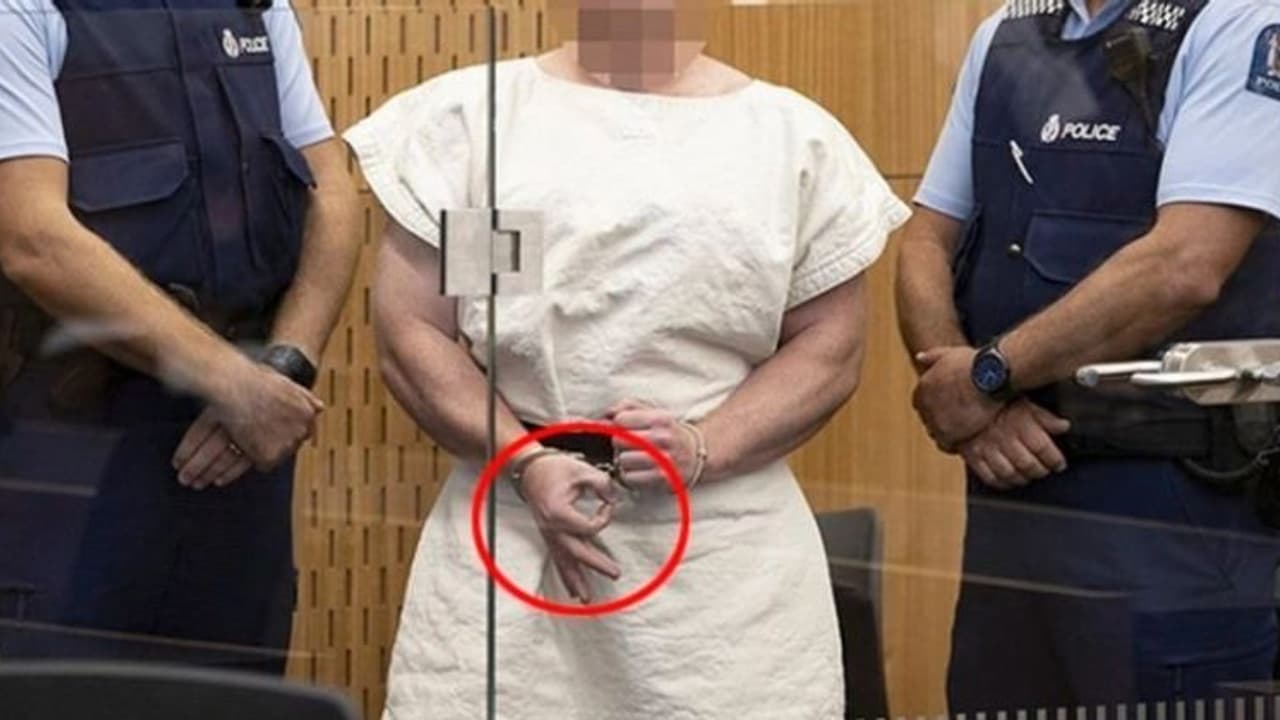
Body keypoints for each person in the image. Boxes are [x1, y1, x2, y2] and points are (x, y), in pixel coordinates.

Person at [344, 0, 910, 716]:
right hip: (509, 539)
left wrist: (704, 446)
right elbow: (416, 332)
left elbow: (829, 346)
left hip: (726, 574)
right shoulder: (483, 125)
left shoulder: (791, 141)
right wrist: (527, 459)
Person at [897, 0, 1280, 711]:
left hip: (1172, 504)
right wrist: (969, 395)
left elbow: (1184, 266)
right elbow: (926, 240)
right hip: (1012, 484)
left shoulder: (1241, 19)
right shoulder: (1006, 32)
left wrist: (986, 377)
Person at [0, 0, 360, 672]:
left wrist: (284, 367)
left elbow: (332, 192)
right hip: (71, 446)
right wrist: (235, 384)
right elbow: (32, 237)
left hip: (246, 450)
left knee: (235, 695)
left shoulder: (256, 8)